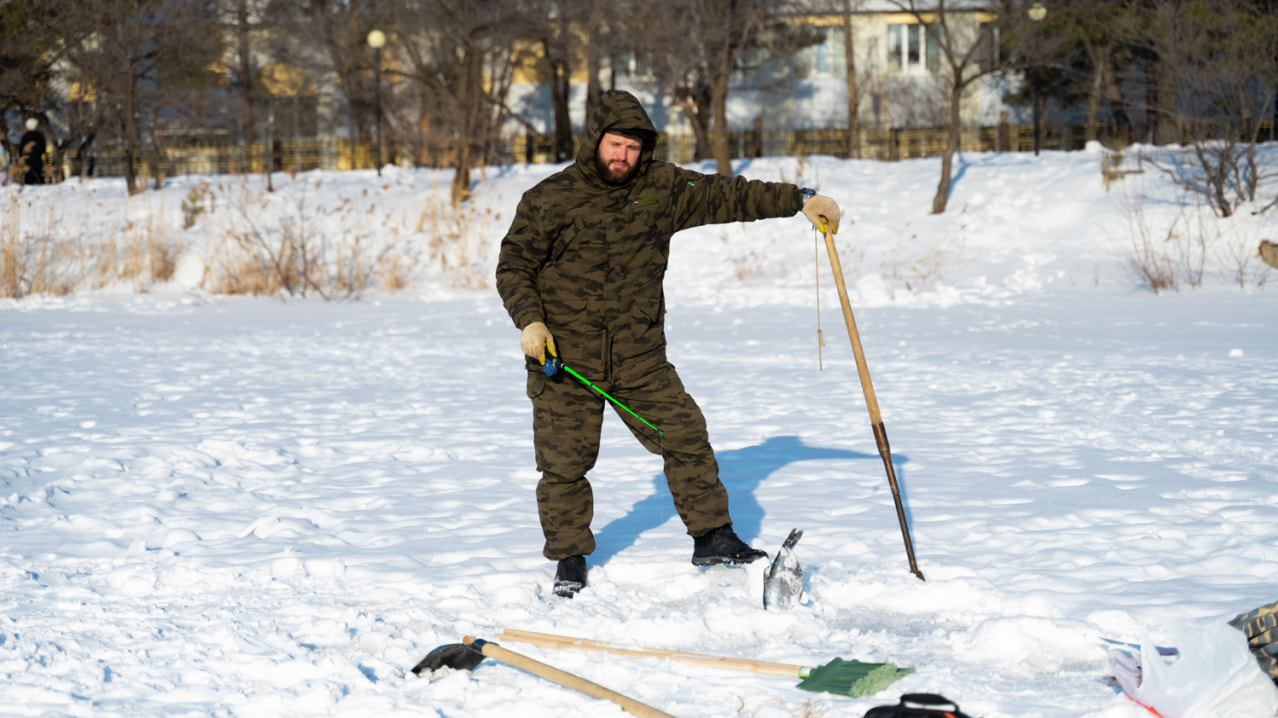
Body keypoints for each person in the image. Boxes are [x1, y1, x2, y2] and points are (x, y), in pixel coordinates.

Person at [495, 90, 841, 598]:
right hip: (564, 361)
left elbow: (730, 195)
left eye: (633, 148)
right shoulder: (551, 198)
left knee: (684, 433)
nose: (623, 157)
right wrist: (530, 323)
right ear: (595, 141)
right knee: (564, 464)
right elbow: (514, 266)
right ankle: (569, 559)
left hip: (639, 358)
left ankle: (713, 537)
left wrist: (799, 199)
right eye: (615, 145)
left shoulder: (662, 189)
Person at [19, 118, 46, 185]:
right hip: (38, 162)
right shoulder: (40, 137)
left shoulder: (24, 137)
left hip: (27, 162)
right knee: (39, 179)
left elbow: (20, 149)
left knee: (28, 181)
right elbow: (43, 149)